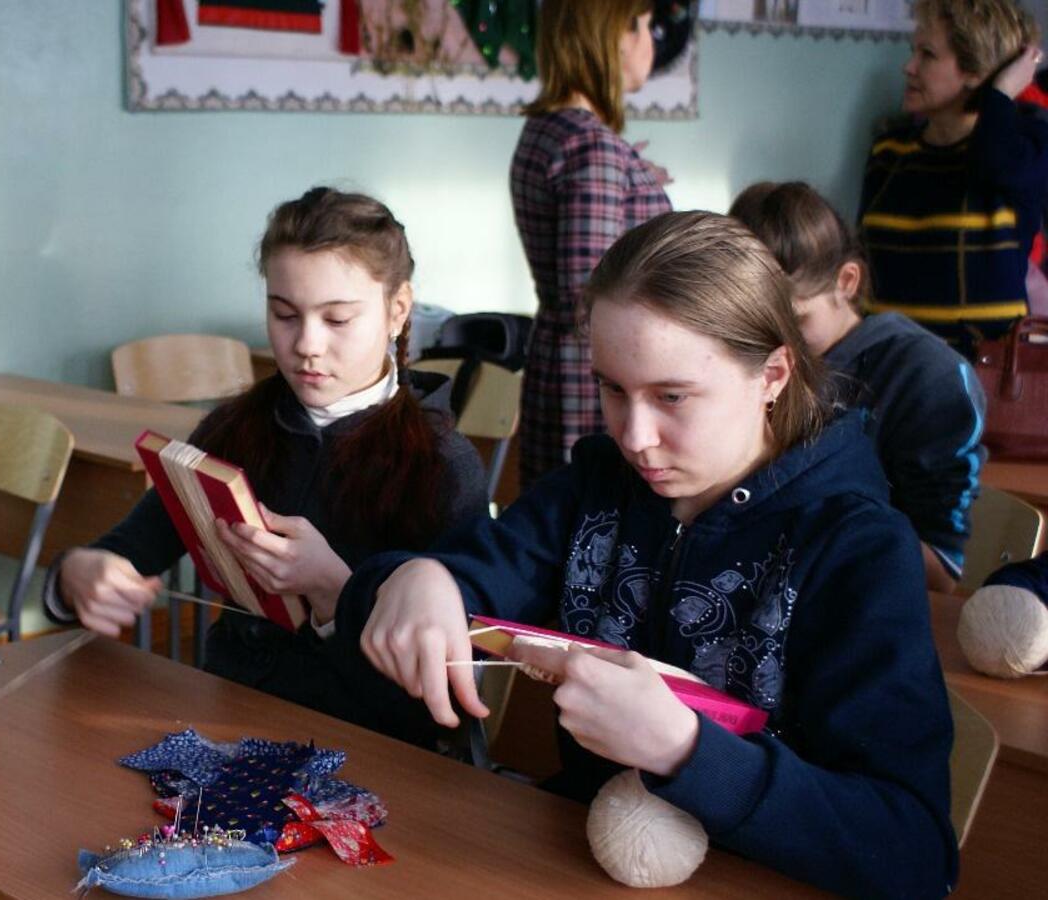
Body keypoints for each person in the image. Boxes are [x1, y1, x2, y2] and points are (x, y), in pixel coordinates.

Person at [338, 212, 957, 897]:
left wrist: (684, 750)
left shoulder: (859, 548)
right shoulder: (596, 488)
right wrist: (416, 577)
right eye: (612, 388)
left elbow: (913, 853)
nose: (634, 437)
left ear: (773, 374)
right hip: (573, 864)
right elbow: (441, 588)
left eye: (672, 396)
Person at [45, 187, 487, 746]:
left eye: (337, 319)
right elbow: (132, 547)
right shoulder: (235, 430)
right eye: (284, 314)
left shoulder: (443, 465)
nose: (307, 345)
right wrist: (79, 574)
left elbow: (447, 693)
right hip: (229, 722)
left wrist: (331, 591)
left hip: (374, 749)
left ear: (397, 311)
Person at [731, 181, 986, 592]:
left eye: (795, 321)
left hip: (866, 594)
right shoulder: (740, 361)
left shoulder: (927, 375)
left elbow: (943, 571)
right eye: (754, 324)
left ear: (847, 281)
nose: (773, 346)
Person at [510, 0, 671, 489]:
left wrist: (632, 177)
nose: (651, 41)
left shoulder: (553, 130)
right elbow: (590, 296)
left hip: (568, 370)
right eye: (644, 26)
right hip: (592, 386)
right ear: (613, 36)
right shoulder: (590, 145)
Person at [859, 0, 1048, 358]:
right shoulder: (889, 151)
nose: (908, 67)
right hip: (890, 370)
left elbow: (996, 163)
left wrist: (999, 91)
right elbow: (862, 262)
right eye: (913, 51)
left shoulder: (1024, 149)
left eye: (927, 55)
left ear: (976, 70)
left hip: (979, 377)